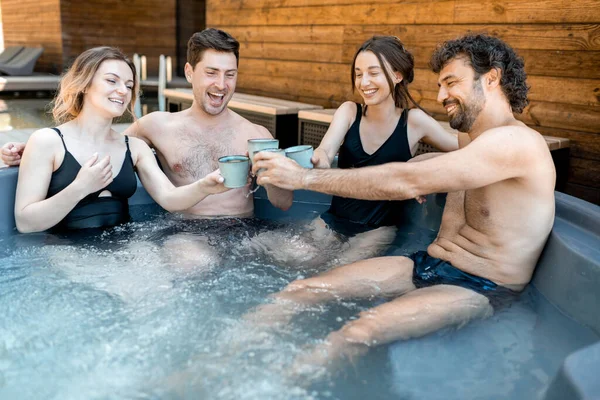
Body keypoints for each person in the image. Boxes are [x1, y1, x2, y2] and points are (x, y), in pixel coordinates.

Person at [249, 33, 556, 373]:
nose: (441, 96)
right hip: (427, 262)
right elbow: (441, 168)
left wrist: (303, 179)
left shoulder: (518, 143)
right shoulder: (473, 139)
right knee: (300, 289)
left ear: (492, 78)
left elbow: (405, 182)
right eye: (440, 85)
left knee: (358, 331)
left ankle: (275, 387)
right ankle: (214, 365)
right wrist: (418, 166)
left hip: (482, 286)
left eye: (451, 82)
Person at [3, 28, 293, 217]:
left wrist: (275, 176)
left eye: (230, 74)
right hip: (187, 235)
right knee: (191, 262)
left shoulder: (257, 135)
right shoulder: (155, 126)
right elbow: (98, 142)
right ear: (190, 72)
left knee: (302, 254)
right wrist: (33, 150)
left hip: (247, 230)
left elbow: (283, 203)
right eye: (212, 73)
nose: (221, 84)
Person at [243, 36, 458, 268]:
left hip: (378, 230)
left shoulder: (414, 122)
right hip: (333, 220)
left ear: (397, 75)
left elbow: (465, 151)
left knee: (336, 270)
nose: (364, 82)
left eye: (373, 73)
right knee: (262, 250)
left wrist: (425, 164)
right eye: (358, 74)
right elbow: (325, 151)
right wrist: (313, 161)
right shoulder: (349, 112)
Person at [14, 47, 229, 233]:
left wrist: (204, 186)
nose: (123, 91)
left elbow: (169, 197)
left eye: (128, 85)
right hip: (65, 251)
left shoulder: (134, 147)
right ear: (85, 83)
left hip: (125, 248)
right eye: (111, 80)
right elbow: (25, 222)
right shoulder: (47, 142)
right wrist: (80, 187)